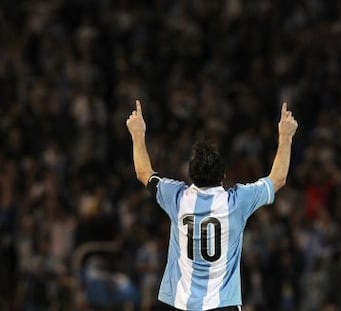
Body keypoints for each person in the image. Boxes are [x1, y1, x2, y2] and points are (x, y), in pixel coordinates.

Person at [126, 100, 298, 311]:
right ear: (224, 176)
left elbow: (143, 172)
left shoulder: (177, 197)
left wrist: (137, 134)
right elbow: (278, 179)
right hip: (222, 305)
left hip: (183, 305)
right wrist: (286, 136)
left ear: (190, 174)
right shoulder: (237, 202)